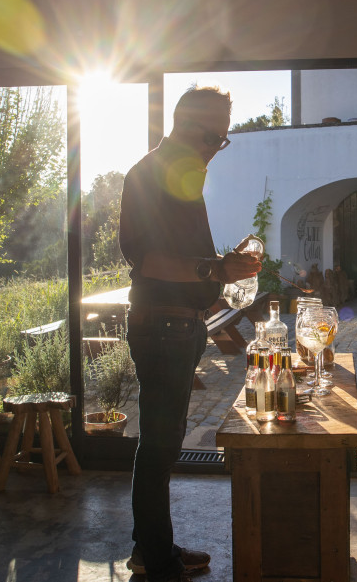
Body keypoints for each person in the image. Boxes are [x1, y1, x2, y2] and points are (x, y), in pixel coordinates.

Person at [118, 86, 262, 582]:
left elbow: (183, 259)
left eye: (223, 139)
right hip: (163, 326)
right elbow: (148, 260)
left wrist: (220, 269)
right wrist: (218, 269)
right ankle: (155, 560)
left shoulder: (182, 174)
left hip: (176, 324)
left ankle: (153, 547)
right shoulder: (150, 174)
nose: (216, 148)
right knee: (159, 445)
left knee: (164, 443)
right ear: (184, 123)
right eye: (212, 137)